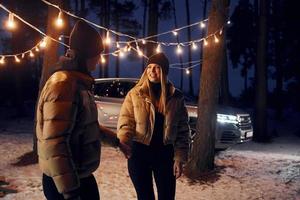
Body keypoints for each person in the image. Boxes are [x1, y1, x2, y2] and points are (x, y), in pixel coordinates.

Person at [36, 20, 130, 200]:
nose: (99, 59)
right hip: (64, 183)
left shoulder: (78, 83)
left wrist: (117, 142)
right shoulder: (63, 85)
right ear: (85, 55)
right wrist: (70, 191)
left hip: (78, 177)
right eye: (97, 54)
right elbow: (55, 143)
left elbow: (87, 127)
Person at [117, 52, 190, 200]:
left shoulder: (176, 97)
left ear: (164, 71)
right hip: (139, 154)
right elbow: (126, 121)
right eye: (149, 67)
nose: (152, 71)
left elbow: (183, 130)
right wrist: (124, 142)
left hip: (165, 154)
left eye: (156, 67)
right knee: (145, 197)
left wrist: (179, 158)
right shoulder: (135, 94)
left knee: (167, 196)